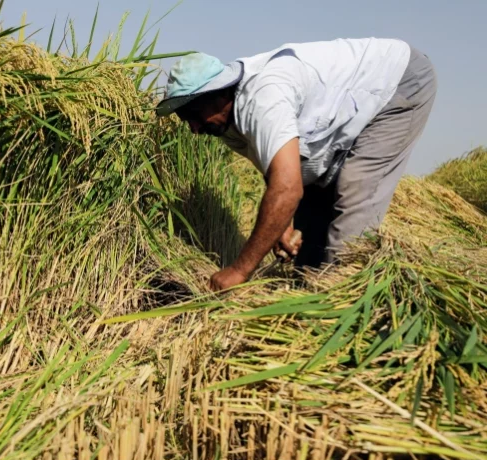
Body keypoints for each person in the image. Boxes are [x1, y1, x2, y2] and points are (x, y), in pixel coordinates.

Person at [155, 38, 437, 291]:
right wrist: (283, 223)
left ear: (219, 94)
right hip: (343, 113)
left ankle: (343, 309)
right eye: (185, 119)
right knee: (311, 215)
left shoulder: (263, 99)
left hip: (396, 83)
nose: (193, 128)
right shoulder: (225, 123)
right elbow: (279, 171)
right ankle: (308, 297)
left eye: (193, 114)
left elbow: (287, 189)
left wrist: (239, 270)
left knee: (354, 196)